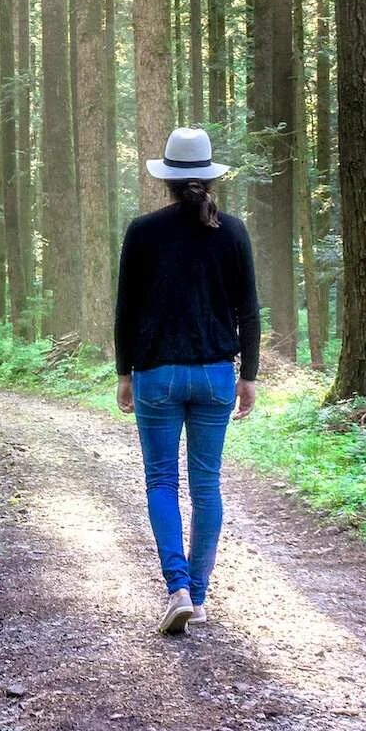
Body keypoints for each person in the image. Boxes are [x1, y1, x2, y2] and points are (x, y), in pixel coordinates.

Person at [111, 126, 259, 634]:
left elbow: (126, 311)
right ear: (209, 176)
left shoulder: (143, 230)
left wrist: (124, 373)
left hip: (156, 374)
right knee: (206, 484)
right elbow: (248, 312)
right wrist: (250, 377)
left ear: (168, 180)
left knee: (160, 481)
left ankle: (175, 586)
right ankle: (198, 596)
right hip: (217, 375)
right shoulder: (233, 231)